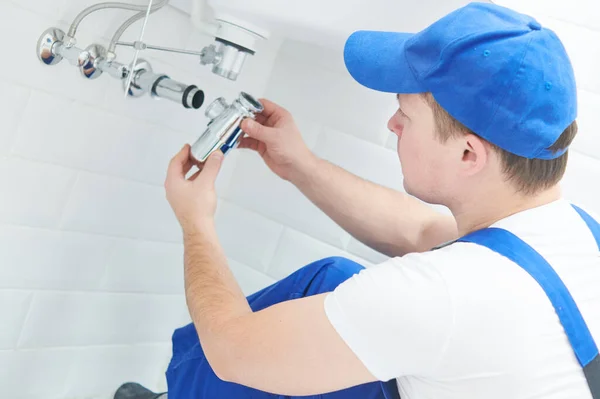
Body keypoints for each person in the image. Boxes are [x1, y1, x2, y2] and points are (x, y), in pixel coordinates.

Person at [114, 2, 600, 399]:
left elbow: (232, 350)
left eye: (405, 115)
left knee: (253, 355)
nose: (392, 125)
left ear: (469, 153)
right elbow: (421, 233)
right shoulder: (575, 234)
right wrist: (299, 164)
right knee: (334, 282)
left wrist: (196, 220)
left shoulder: (441, 296)